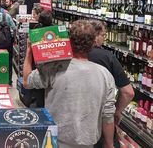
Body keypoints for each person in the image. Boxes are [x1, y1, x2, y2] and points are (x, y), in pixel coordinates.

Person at [23, 20, 116, 148]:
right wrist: (109, 144)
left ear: (69, 41)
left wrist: (29, 52)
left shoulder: (55, 67)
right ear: (93, 43)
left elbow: (27, 81)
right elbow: (108, 115)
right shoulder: (105, 75)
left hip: (55, 141)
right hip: (87, 142)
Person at [88, 20, 134, 148]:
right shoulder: (107, 57)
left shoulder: (73, 54)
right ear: (95, 36)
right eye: (103, 35)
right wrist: (117, 111)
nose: (104, 38)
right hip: (103, 119)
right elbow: (128, 92)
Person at [0, 0, 17, 86]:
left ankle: (0, 79)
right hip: (8, 42)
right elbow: (14, 28)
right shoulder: (7, 16)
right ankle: (9, 81)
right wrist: (14, 38)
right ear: (0, 8)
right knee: (9, 61)